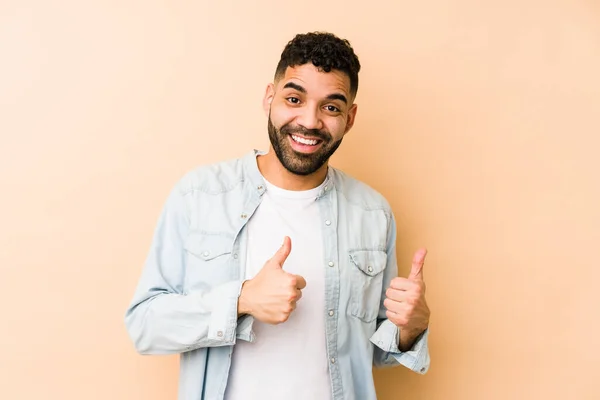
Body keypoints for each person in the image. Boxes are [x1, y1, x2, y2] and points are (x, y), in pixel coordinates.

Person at [125, 31, 431, 400]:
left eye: (331, 107)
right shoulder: (200, 195)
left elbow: (378, 354)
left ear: (349, 118)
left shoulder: (372, 213)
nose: (310, 121)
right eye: (294, 99)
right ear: (270, 98)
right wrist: (242, 300)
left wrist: (411, 329)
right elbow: (145, 326)